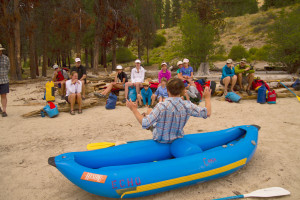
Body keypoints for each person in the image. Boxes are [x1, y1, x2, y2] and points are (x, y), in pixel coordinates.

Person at [126, 78, 211, 144]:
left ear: (167, 90)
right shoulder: (187, 105)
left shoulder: (161, 106)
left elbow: (144, 123)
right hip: (177, 138)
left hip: (160, 139)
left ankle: (149, 118)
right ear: (182, 91)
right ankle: (149, 115)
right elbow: (207, 113)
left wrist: (134, 110)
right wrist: (207, 98)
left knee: (149, 112)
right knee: (150, 111)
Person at [0, 44, 10, 117]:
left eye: (0, 50)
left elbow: (8, 67)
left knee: (3, 95)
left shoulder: (6, 58)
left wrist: (4, 74)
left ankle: (4, 111)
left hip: (4, 80)